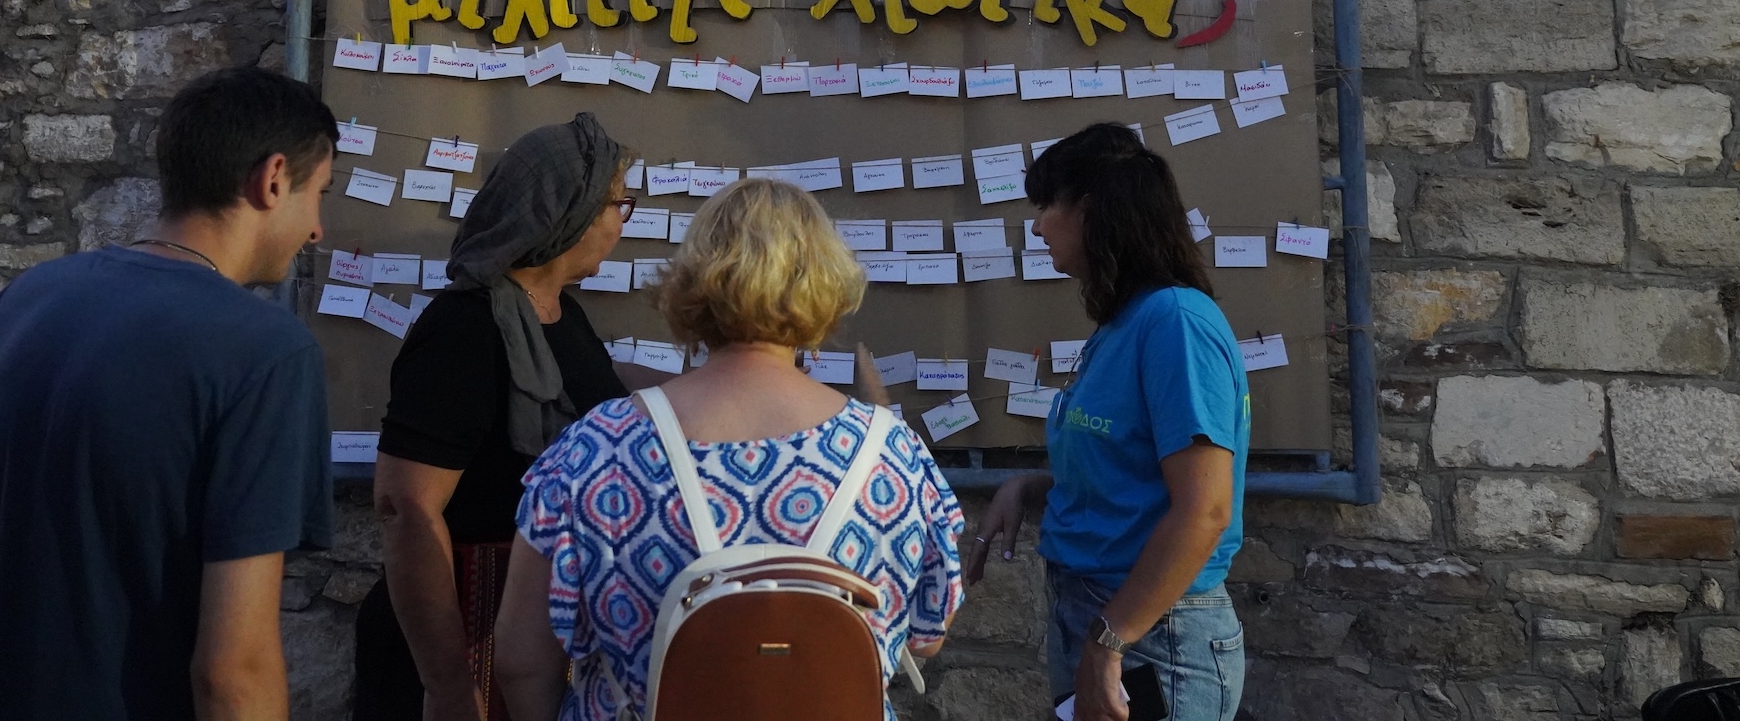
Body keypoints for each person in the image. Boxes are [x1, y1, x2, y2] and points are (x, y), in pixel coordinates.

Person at [0, 65, 339, 721]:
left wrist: (79, 602)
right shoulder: (266, 352)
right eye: (319, 193)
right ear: (271, 180)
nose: (317, 228)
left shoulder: (26, 299)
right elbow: (233, 674)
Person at [493, 177, 966, 721]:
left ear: (691, 281)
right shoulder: (893, 454)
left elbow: (522, 661)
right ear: (827, 283)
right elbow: (928, 636)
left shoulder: (594, 448)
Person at [358, 112, 658, 721]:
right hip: (462, 633)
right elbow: (406, 509)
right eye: (620, 206)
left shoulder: (557, 313)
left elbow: (601, 386)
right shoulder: (463, 330)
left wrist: (737, 383)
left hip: (524, 624)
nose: (622, 224)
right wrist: (448, 685)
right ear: (573, 217)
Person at [967, 123, 1250, 721]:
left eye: (1047, 205)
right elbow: (1132, 469)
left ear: (1091, 210)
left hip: (1153, 635)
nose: (1037, 227)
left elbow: (1204, 510)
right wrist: (1029, 486)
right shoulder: (1124, 322)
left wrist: (1109, 641)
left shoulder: (1175, 321)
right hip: (1104, 620)